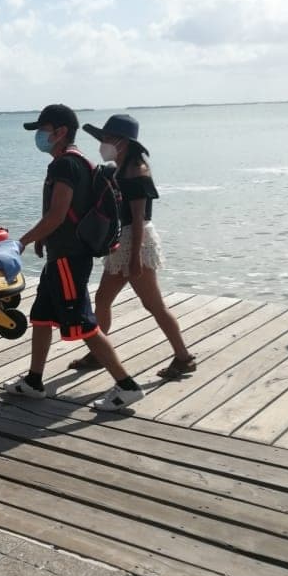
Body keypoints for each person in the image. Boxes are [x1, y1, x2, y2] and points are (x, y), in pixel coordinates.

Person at [4, 104, 145, 412]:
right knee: (41, 316)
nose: (39, 136)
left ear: (60, 132)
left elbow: (57, 214)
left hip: (69, 259)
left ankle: (126, 385)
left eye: (43, 130)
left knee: (83, 323)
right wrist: (44, 238)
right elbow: (66, 215)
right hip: (62, 256)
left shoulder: (65, 166)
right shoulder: (77, 162)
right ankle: (34, 380)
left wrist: (23, 241)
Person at [68, 114, 196, 381]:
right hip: (123, 241)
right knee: (103, 298)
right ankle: (98, 353)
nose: (102, 144)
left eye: (106, 139)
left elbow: (138, 219)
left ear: (122, 142)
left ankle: (183, 357)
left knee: (154, 305)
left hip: (136, 241)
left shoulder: (136, 171)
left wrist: (135, 256)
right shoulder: (119, 167)